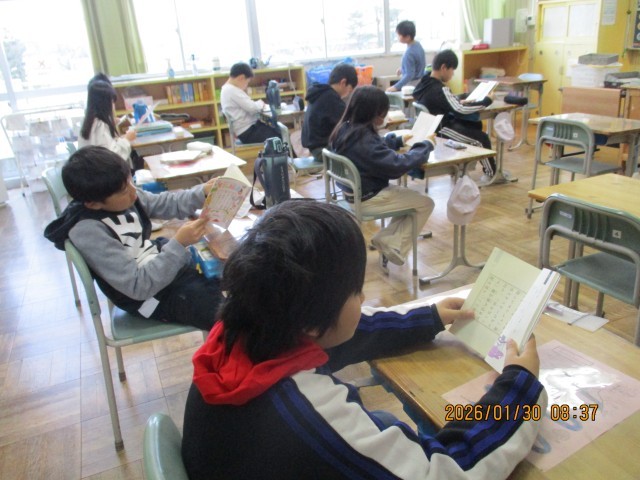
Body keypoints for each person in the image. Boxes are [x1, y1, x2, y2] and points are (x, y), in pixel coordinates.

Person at [181, 199, 547, 480]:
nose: (363, 298)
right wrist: (520, 385)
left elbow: (344, 335)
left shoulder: (242, 332)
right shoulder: (313, 414)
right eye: (356, 291)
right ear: (313, 321)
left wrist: (428, 318)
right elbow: (449, 473)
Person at [44, 146, 222, 331]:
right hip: (148, 299)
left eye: (130, 180)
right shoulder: (89, 231)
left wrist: (202, 192)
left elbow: (167, 203)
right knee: (227, 314)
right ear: (93, 204)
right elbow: (139, 286)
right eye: (123, 190)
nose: (133, 192)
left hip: (161, 271)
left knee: (233, 281)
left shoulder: (125, 194)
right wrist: (179, 243)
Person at [329, 85, 434, 266]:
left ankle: (388, 240)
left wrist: (397, 140)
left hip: (352, 195)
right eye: (383, 113)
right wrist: (425, 145)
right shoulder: (363, 138)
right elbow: (397, 166)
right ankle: (391, 243)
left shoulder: (345, 129)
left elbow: (373, 148)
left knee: (410, 200)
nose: (384, 117)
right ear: (374, 113)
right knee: (425, 203)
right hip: (369, 198)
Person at [412, 49, 496, 182]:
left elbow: (442, 102)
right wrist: (487, 101)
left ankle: (462, 170)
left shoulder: (423, 83)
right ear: (444, 68)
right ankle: (492, 174)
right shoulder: (440, 89)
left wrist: (457, 102)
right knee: (481, 139)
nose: (452, 74)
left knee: (474, 125)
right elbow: (460, 110)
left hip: (429, 127)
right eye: (452, 70)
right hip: (441, 130)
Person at [301, 63, 358, 163]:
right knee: (361, 152)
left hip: (315, 149)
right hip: (323, 151)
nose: (348, 94)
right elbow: (350, 122)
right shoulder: (331, 99)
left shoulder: (320, 92)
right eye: (349, 90)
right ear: (343, 82)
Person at [78, 80, 138, 167]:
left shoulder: (89, 121)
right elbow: (113, 157)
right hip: (102, 171)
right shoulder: (100, 125)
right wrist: (127, 139)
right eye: (112, 102)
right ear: (106, 103)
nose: (113, 106)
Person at [220, 62, 281, 144]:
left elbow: (248, 105)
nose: (246, 86)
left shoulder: (226, 89)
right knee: (278, 136)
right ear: (241, 78)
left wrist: (257, 104)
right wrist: (261, 103)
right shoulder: (232, 90)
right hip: (248, 132)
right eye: (247, 82)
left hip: (245, 130)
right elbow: (253, 108)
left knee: (275, 130)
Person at [386, 20, 426, 93]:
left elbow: (409, 75)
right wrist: (403, 69)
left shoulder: (409, 53)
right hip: (420, 81)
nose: (397, 37)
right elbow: (415, 64)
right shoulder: (417, 45)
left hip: (412, 85)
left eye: (399, 35)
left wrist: (395, 87)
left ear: (407, 37)